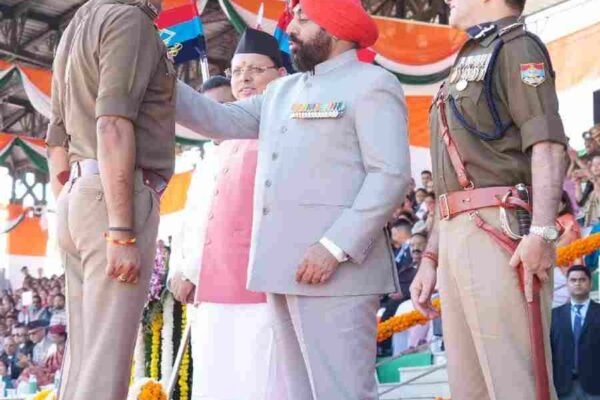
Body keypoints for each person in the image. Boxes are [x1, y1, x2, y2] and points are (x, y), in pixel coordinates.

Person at [175, 0, 410, 397]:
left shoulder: (372, 84)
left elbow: (390, 176)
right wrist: (157, 74)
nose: (292, 29)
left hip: (338, 274)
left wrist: (334, 247)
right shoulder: (282, 91)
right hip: (283, 272)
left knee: (341, 392)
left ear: (335, 27)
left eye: (303, 18)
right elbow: (217, 119)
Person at [410, 0, 567, 399]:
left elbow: (547, 144)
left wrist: (542, 233)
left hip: (497, 228)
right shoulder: (468, 55)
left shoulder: (518, 47)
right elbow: (449, 180)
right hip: (456, 232)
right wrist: (431, 256)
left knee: (515, 380)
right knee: (469, 387)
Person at [46, 0, 176, 398]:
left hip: (78, 193)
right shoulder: (130, 20)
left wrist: (71, 202)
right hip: (113, 199)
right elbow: (112, 123)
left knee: (84, 360)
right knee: (105, 366)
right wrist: (120, 229)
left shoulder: (78, 24)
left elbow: (55, 138)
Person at [169, 29, 288, 400]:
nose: (245, 78)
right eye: (237, 71)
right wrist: (182, 270)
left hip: (263, 290)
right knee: (215, 385)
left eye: (255, 69)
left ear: (281, 75)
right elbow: (194, 217)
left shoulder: (288, 132)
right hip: (210, 291)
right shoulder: (218, 148)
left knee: (263, 383)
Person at [551, 266, 600, 400]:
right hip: (563, 386)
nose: (577, 283)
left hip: (595, 386)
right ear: (567, 284)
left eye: (582, 280)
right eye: (573, 280)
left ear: (590, 283)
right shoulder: (554, 316)